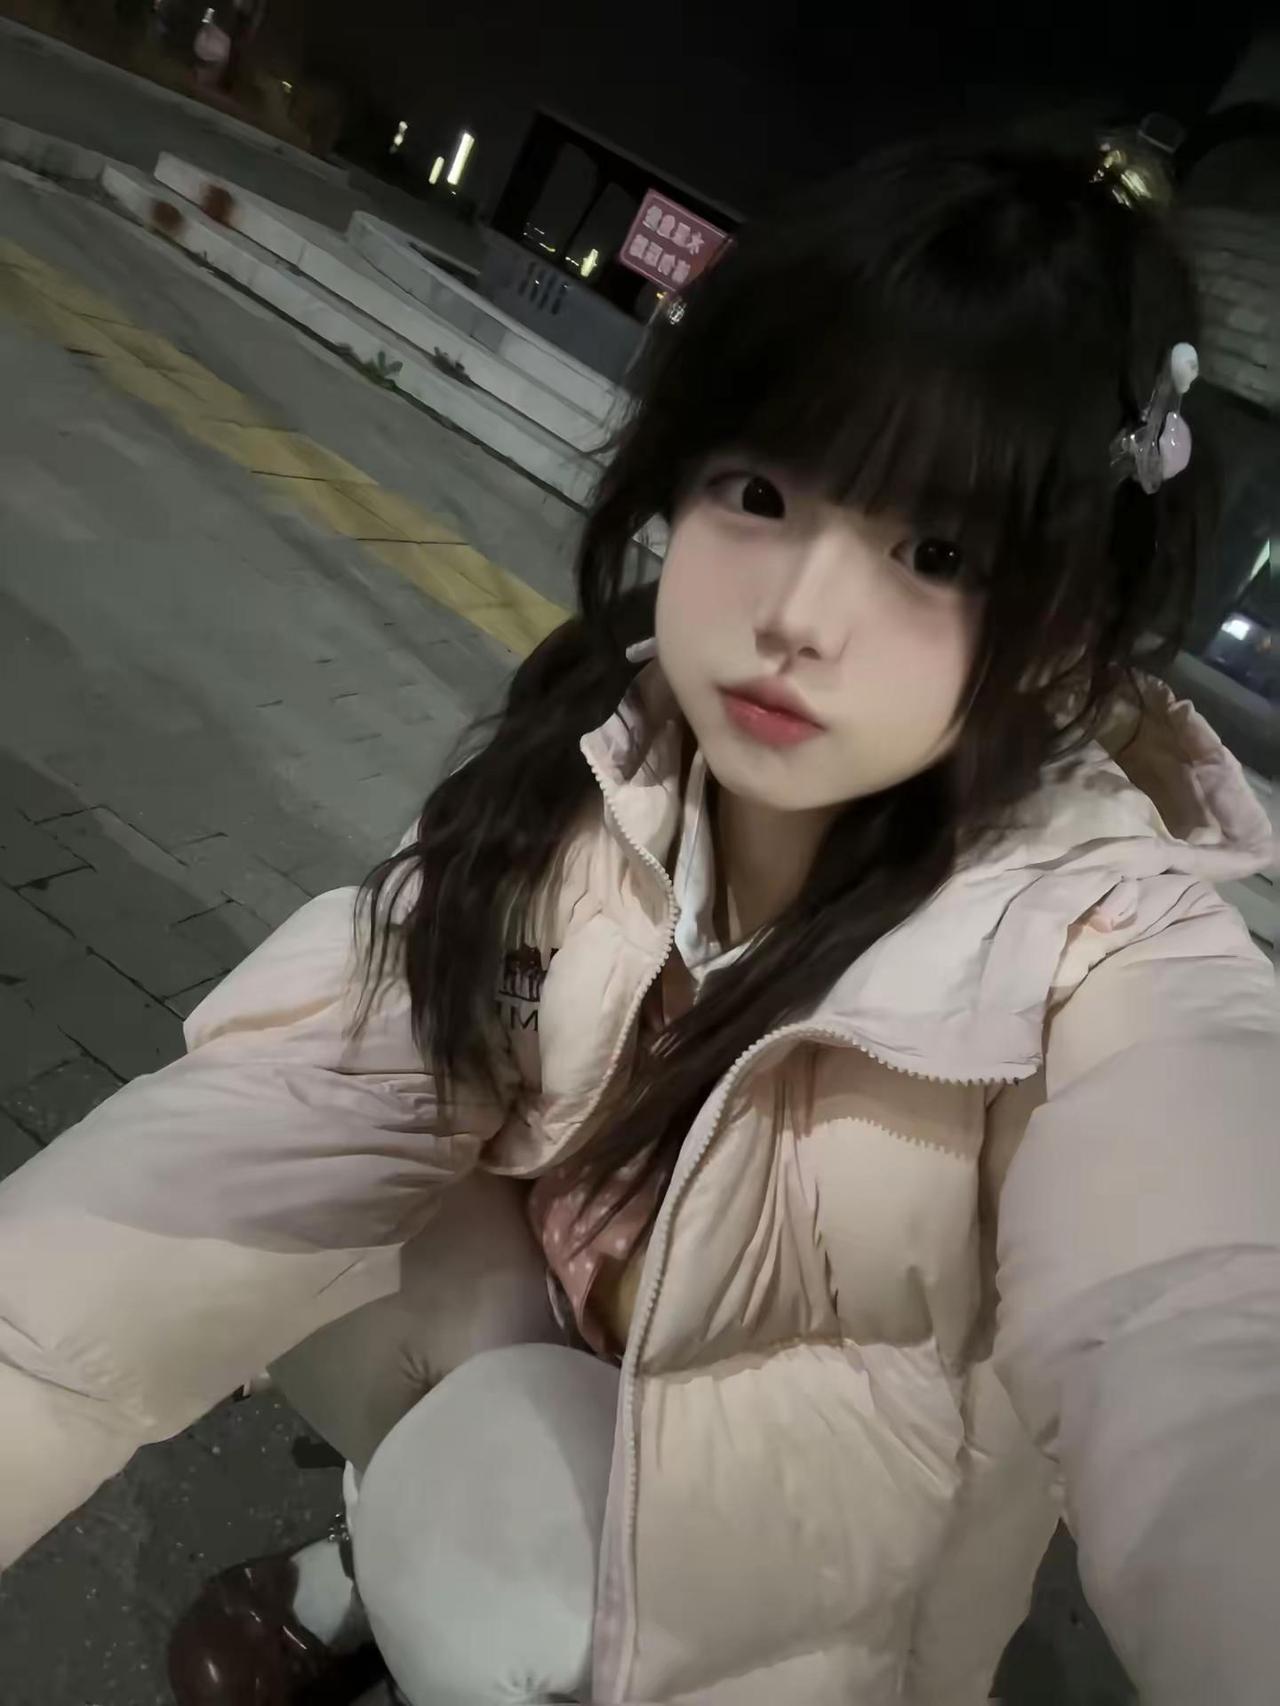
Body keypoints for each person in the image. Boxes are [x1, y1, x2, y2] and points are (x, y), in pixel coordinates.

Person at [1, 132, 1277, 1706]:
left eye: (934, 553)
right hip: (537, 1343)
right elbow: (288, 1097)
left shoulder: (1100, 948)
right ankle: (391, 1548)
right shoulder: (604, 754)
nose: (796, 614)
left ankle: (451, 1576)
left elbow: (1204, 1315)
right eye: (762, 490)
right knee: (300, 1229)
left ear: (1061, 619)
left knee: (505, 1540)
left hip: (766, 1589)